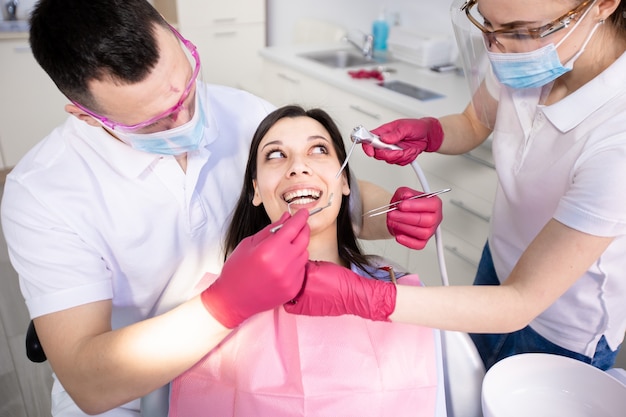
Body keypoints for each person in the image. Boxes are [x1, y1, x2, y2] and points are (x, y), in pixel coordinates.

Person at [0, 1, 443, 415]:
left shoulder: (245, 113)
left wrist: (392, 213)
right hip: (129, 394)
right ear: (87, 116)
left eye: (185, 86)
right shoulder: (42, 193)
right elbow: (88, 380)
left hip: (248, 359)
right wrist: (224, 303)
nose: (186, 116)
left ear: (174, 36)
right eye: (155, 119)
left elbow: (316, 195)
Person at [284, 0, 626, 372]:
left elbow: (520, 301)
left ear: (603, 5)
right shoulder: (520, 48)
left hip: (562, 325)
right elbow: (476, 120)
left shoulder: (616, 137)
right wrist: (432, 133)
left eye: (519, 30)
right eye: (487, 25)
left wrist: (367, 297)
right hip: (496, 265)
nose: (496, 47)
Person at [168, 105, 443, 417]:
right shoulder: (209, 306)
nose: (298, 167)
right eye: (275, 155)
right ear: (256, 191)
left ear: (344, 183)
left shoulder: (402, 296)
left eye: (318, 150)